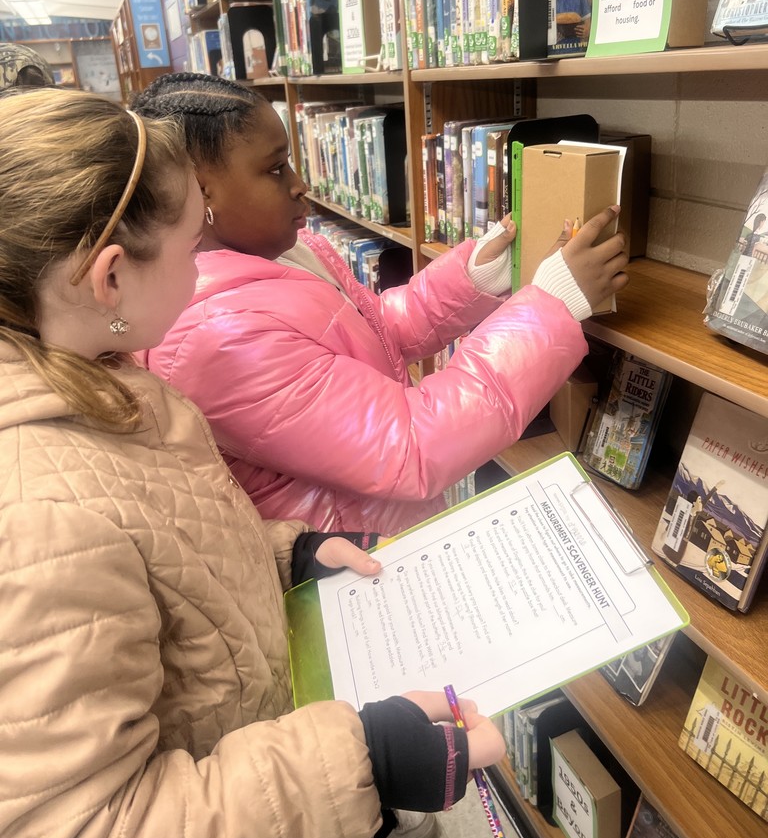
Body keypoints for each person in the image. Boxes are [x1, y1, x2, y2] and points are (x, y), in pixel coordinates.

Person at [0, 87, 506, 838]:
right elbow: (83, 826)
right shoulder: (38, 518)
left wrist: (284, 553)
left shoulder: (102, 383)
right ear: (110, 280)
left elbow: (158, 548)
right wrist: (359, 758)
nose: (208, 255)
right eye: (192, 237)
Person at [134, 73, 629, 536]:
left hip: (381, 534)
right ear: (201, 192)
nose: (299, 184)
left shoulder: (284, 256)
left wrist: (475, 276)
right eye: (275, 168)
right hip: (357, 566)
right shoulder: (219, 337)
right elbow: (413, 443)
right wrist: (550, 307)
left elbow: (372, 333)